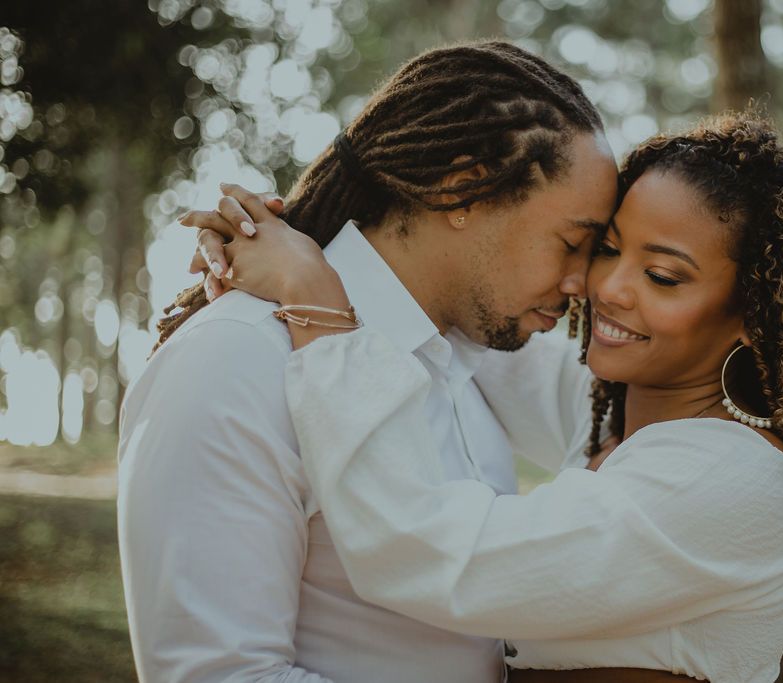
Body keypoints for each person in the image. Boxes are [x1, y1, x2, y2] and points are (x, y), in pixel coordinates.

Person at [189, 112, 783, 683]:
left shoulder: (732, 483)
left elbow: (428, 550)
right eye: (605, 247)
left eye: (662, 275)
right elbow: (452, 305)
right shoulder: (614, 412)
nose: (605, 287)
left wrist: (314, 296)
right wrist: (287, 240)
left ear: (753, 313)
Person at [117, 40, 620, 683]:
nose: (584, 282)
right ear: (463, 188)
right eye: (573, 242)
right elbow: (217, 675)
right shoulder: (234, 360)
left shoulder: (468, 360)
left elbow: (640, 422)